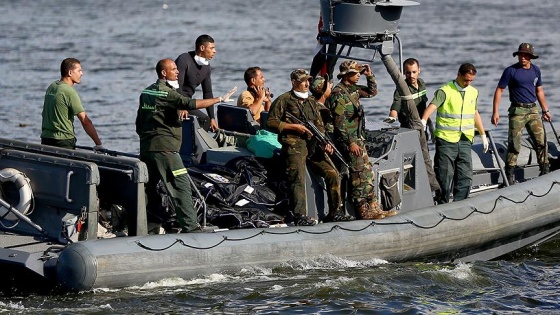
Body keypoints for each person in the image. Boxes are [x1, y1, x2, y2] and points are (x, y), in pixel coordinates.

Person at [135, 58, 236, 233]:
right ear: (163, 73)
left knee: (150, 190)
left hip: (147, 149)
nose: (177, 72)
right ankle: (191, 227)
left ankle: (148, 228)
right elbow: (190, 103)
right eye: (173, 69)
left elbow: (139, 123)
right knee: (181, 185)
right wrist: (219, 99)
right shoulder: (165, 92)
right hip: (166, 150)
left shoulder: (147, 92)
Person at [266, 69, 354, 225]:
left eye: (308, 80)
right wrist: (293, 127)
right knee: (297, 178)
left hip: (313, 145)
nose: (306, 84)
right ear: (294, 82)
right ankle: (300, 216)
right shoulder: (284, 100)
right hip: (294, 145)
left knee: (333, 173)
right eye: (302, 81)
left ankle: (335, 212)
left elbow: (319, 126)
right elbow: (270, 122)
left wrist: (325, 143)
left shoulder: (311, 102)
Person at [326, 60, 394, 220]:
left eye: (358, 73)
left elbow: (372, 92)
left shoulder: (353, 90)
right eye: (355, 74)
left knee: (367, 173)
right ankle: (363, 210)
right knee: (358, 175)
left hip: (357, 138)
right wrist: (350, 143)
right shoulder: (339, 94)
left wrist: (369, 76)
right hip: (348, 141)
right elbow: (339, 122)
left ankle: (374, 207)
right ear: (347, 75)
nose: (358, 76)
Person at [421, 63, 488, 204]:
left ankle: (461, 203)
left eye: (471, 80)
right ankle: (442, 202)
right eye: (466, 80)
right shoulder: (445, 91)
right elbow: (431, 107)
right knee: (444, 175)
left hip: (465, 139)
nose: (468, 83)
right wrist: (423, 121)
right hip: (446, 140)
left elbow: (475, 113)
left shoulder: (473, 92)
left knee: (465, 175)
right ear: (458, 74)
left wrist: (482, 135)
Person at [491, 43, 551, 185]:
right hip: (517, 111)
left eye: (525, 55)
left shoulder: (536, 71)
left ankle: (545, 171)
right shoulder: (510, 71)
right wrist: (495, 112)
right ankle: (509, 176)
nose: (522, 58)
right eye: (520, 55)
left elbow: (539, 90)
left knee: (541, 142)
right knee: (514, 144)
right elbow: (499, 90)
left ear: (531, 56)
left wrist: (545, 109)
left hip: (533, 110)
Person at [386, 58, 441, 199]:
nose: (411, 76)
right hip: (409, 127)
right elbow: (396, 103)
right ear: (404, 73)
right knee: (420, 158)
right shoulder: (402, 87)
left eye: (414, 72)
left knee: (426, 156)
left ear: (419, 71)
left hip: (423, 125)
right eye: (408, 73)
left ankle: (429, 186)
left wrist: (429, 125)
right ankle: (433, 188)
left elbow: (425, 105)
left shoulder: (421, 83)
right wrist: (393, 115)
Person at [41, 58, 103, 150]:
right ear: (70, 73)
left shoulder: (52, 87)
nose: (81, 74)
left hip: (46, 139)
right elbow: (85, 121)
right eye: (79, 71)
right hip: (63, 141)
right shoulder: (69, 92)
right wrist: (99, 145)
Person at [175, 34, 219, 131]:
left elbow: (207, 92)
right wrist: (181, 107)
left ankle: (196, 145)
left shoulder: (206, 67)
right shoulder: (184, 59)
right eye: (211, 48)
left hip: (188, 103)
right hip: (174, 101)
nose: (214, 51)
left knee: (206, 121)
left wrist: (212, 117)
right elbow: (177, 86)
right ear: (202, 47)